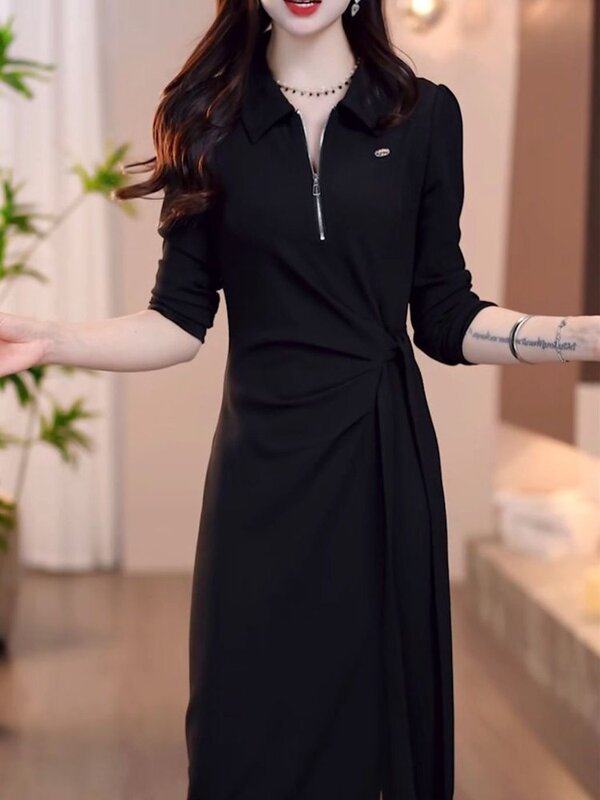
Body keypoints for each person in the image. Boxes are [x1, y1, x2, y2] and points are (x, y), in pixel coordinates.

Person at [1, 2, 598, 798]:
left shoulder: (423, 116)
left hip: (382, 465)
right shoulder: (207, 123)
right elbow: (177, 322)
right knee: (242, 737)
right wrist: (50, 339)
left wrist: (583, 337)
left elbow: (446, 314)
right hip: (260, 478)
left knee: (374, 740)